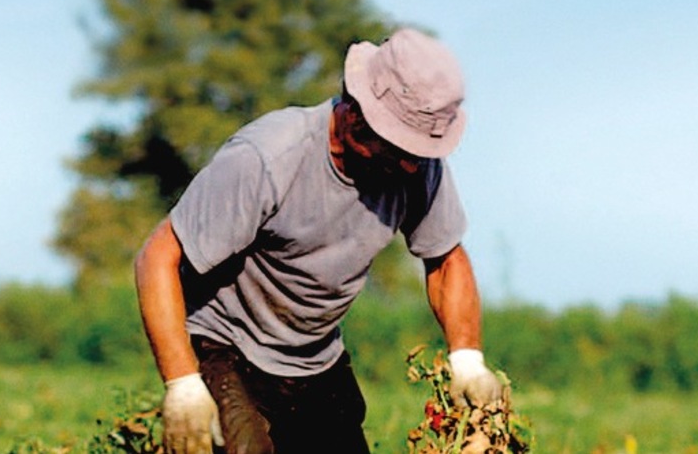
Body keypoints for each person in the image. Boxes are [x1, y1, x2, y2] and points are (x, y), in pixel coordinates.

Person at [134, 28, 502, 454]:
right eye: (398, 148)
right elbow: (157, 257)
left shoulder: (416, 167)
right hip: (225, 343)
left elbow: (446, 261)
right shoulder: (268, 157)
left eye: (418, 153)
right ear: (353, 115)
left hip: (313, 358)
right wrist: (182, 384)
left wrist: (467, 360)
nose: (410, 165)